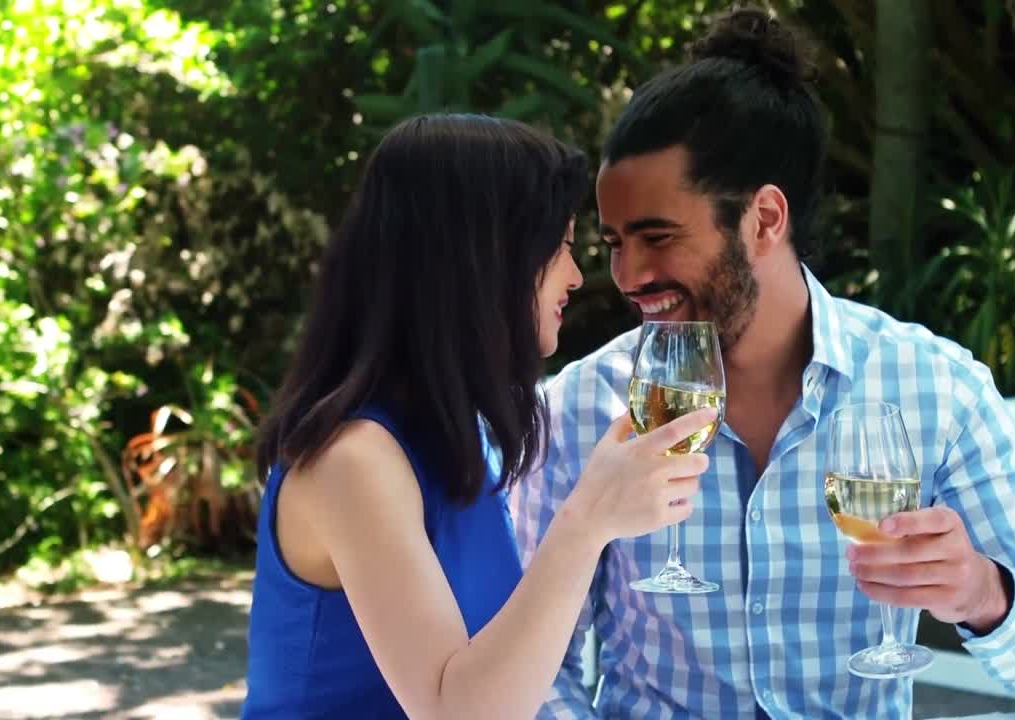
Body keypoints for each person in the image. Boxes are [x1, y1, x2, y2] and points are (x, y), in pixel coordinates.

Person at [511, 7, 1015, 719]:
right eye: (613, 242)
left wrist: (983, 593)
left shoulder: (934, 388)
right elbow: (534, 674)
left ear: (764, 218)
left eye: (658, 237)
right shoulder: (581, 409)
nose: (630, 274)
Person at [240, 113, 717, 719]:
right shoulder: (353, 459)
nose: (576, 276)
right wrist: (586, 522)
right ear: (481, 257)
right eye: (561, 247)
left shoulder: (457, 434)